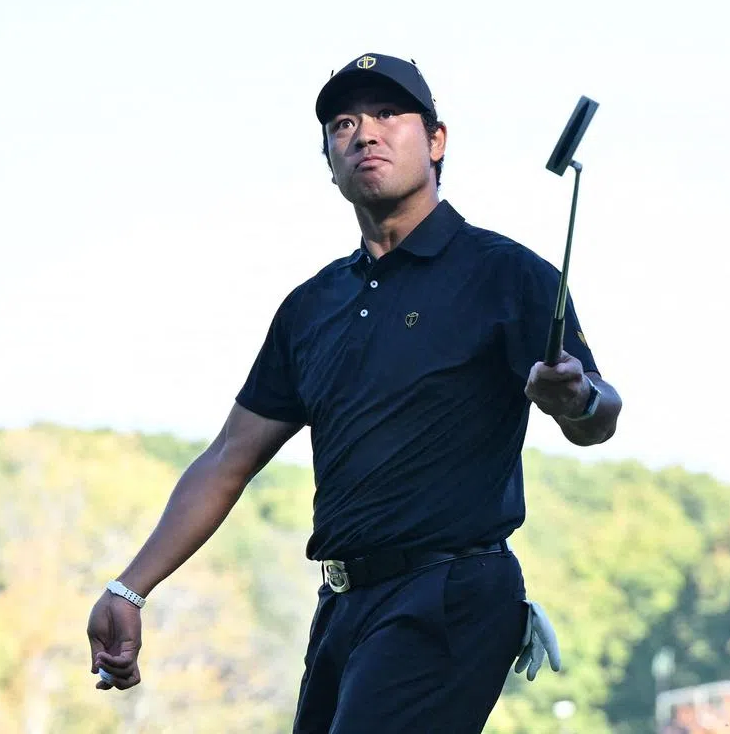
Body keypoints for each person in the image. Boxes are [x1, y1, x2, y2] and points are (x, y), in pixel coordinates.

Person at [87, 52, 623, 732]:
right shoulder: (312, 308)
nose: (365, 133)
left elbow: (600, 414)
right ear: (330, 159)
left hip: (450, 597)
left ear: (436, 141)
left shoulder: (505, 275)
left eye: (388, 114)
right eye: (343, 123)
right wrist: (129, 586)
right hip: (343, 608)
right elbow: (228, 459)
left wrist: (573, 399)